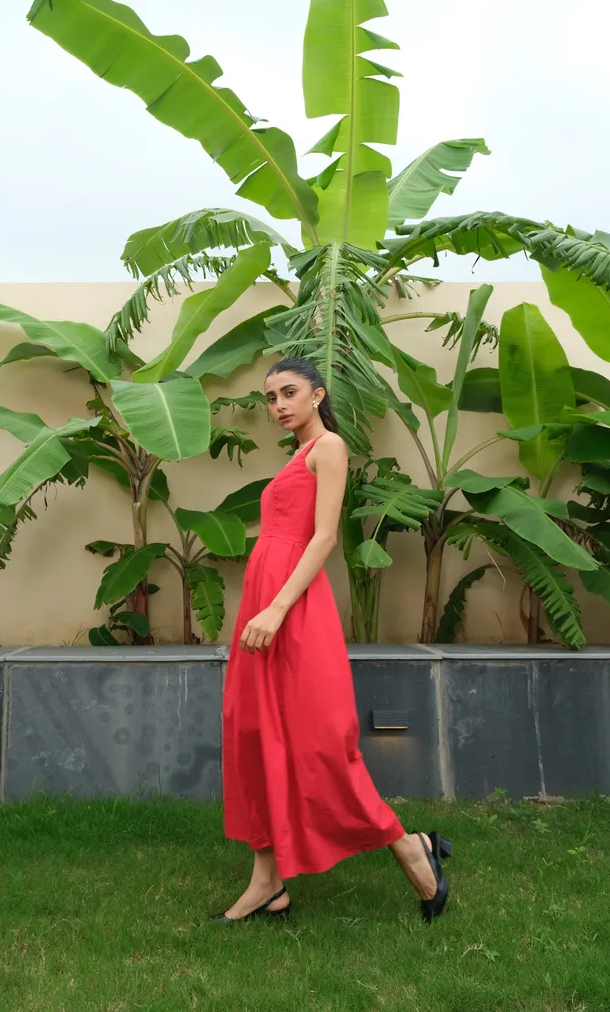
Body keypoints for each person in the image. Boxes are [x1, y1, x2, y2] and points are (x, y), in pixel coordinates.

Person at [210, 357, 452, 925]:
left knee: (319, 744)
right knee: (254, 732)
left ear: (318, 395)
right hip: (267, 603)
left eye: (289, 392)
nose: (278, 405)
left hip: (291, 608)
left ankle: (412, 850)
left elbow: (321, 539)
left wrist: (275, 607)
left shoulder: (329, 448)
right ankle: (268, 883)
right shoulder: (295, 455)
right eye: (270, 398)